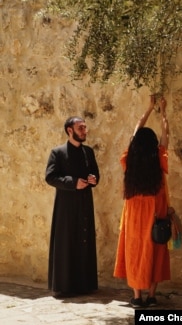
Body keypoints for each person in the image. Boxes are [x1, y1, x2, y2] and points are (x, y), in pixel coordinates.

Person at [113, 95, 172, 308]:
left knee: (135, 252)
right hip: (156, 213)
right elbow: (166, 135)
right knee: (156, 250)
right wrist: (163, 112)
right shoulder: (158, 159)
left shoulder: (129, 160)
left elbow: (134, 133)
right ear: (153, 145)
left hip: (133, 215)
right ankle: (152, 296)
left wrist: (148, 108)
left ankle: (137, 297)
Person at [45, 116, 100, 298]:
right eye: (81, 128)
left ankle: (85, 285)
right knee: (66, 242)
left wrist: (93, 179)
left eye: (85, 127)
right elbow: (50, 177)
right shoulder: (58, 152)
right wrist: (72, 182)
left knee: (84, 241)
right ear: (70, 130)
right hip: (66, 206)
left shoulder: (88, 152)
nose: (85, 131)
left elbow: (95, 174)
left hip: (85, 203)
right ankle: (64, 287)